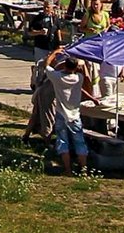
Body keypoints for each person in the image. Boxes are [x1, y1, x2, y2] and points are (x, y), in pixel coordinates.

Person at [42, 47, 98, 176]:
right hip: (74, 114)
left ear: (64, 66)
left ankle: (68, 170)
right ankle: (83, 169)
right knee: (79, 141)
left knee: (63, 141)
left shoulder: (56, 77)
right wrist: (92, 98)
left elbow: (47, 64)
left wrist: (55, 52)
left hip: (61, 113)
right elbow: (79, 89)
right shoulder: (79, 78)